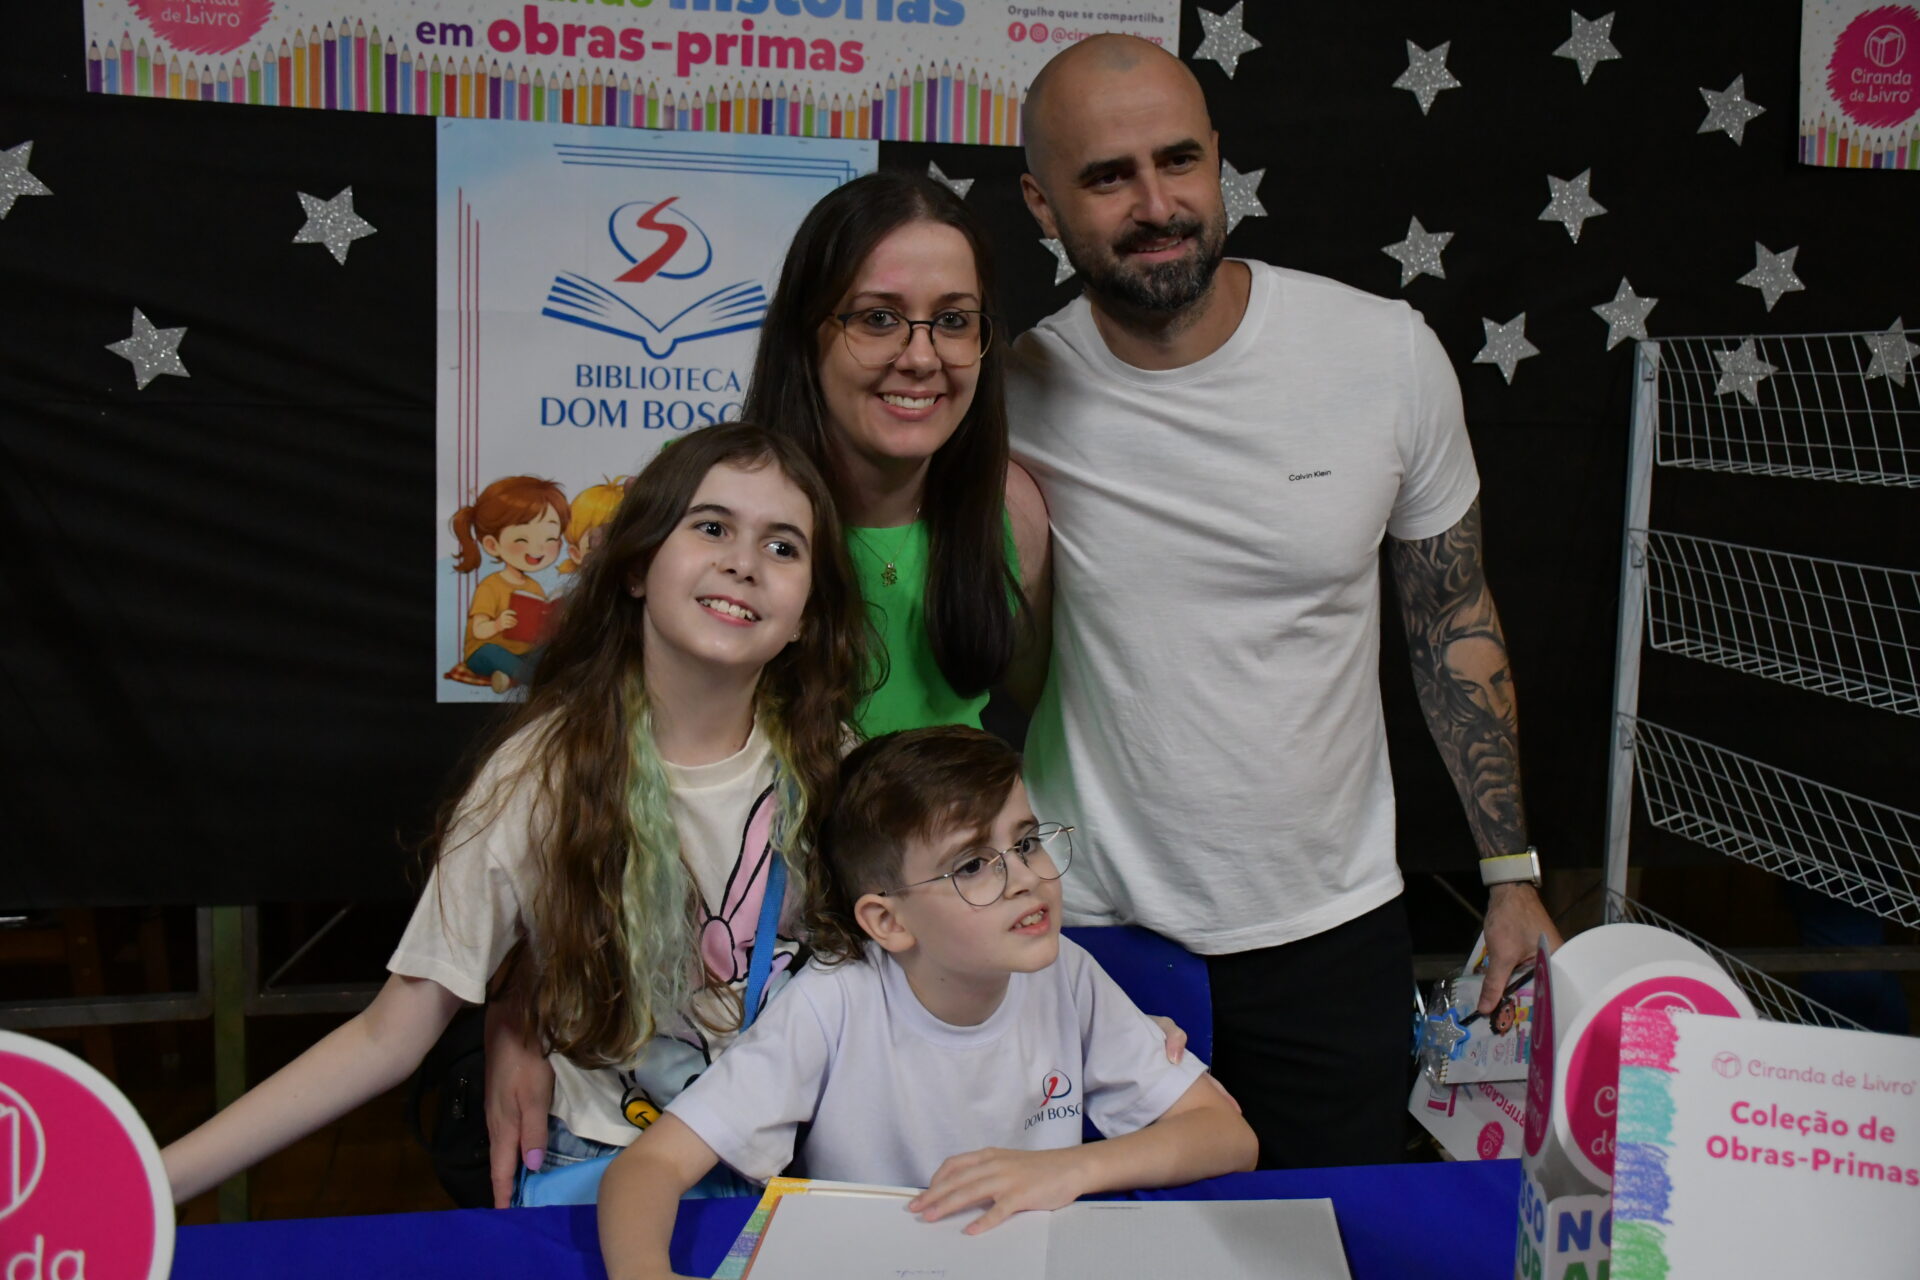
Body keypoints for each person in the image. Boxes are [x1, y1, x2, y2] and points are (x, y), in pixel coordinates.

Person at [1007, 35, 1562, 1169]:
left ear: (1219, 159)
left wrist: (1511, 877)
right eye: (1108, 177)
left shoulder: (1383, 354)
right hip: (1092, 935)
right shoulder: (1011, 391)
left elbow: (1451, 620)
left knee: (1333, 1231)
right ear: (1041, 205)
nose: (1156, 204)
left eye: (1178, 161)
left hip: (1332, 932)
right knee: (1106, 1243)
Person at [483, 170, 1055, 1205]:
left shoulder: (1008, 514)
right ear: (807, 332)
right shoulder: (729, 533)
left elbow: (1011, 767)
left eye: (953, 321)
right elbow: (593, 780)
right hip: (737, 1025)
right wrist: (522, 1008)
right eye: (877, 318)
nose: (920, 355)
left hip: (925, 1008)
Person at [160, 423, 869, 1203]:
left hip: (786, 1170)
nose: (744, 562)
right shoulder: (540, 774)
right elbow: (388, 1035)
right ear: (636, 566)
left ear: (808, 613)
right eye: (711, 527)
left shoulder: (834, 765)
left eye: (783, 546)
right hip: (595, 1165)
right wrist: (151, 1182)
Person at [597, 727, 1257, 1279]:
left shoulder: (1068, 973)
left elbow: (1228, 1136)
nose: (1025, 878)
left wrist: (1068, 1168)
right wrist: (643, 1272)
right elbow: (650, 1165)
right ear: (887, 922)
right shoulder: (832, 1004)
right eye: (972, 865)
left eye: (1026, 842)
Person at [444, 475, 571, 694]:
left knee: (550, 649)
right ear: (492, 545)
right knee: (494, 653)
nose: (537, 549)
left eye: (550, 539)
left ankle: (507, 677)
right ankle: (537, 680)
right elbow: (478, 630)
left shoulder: (534, 588)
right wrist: (497, 625)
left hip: (521, 652)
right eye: (522, 539)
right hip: (484, 652)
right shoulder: (490, 586)